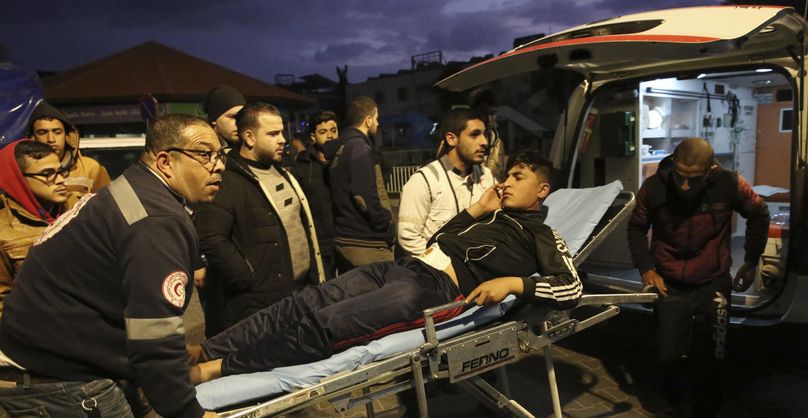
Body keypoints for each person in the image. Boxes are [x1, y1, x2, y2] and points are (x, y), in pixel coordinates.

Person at [0, 114, 227, 418]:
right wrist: (185, 415)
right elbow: (151, 334)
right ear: (165, 161)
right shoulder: (156, 219)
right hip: (61, 380)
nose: (218, 165)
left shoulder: (130, 190)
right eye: (205, 154)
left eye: (219, 154)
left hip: (32, 364)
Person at [190, 150, 581, 383]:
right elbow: (437, 240)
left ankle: (219, 369)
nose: (506, 182)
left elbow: (571, 287)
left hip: (430, 291)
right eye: (508, 175)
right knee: (302, 303)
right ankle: (206, 350)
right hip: (401, 268)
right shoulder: (490, 215)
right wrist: (477, 210)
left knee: (327, 323)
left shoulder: (544, 235)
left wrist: (514, 284)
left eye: (518, 177)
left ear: (542, 190)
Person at [627, 137, 769, 418]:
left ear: (711, 170)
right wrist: (647, 269)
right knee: (668, 354)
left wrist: (750, 260)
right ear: (673, 163)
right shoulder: (653, 187)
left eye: (695, 177)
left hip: (713, 283)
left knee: (712, 363)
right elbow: (636, 228)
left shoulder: (730, 183)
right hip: (669, 281)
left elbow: (759, 213)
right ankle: (673, 404)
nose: (686, 184)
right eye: (680, 174)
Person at [195, 102, 333, 418]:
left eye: (282, 131)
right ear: (248, 137)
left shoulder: (280, 170)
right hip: (254, 299)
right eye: (272, 133)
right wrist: (247, 278)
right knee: (248, 371)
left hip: (292, 290)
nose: (283, 139)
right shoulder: (228, 177)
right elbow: (210, 237)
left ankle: (294, 404)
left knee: (292, 356)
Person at [398, 108, 495, 257]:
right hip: (436, 274)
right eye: (475, 135)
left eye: (485, 135)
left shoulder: (486, 176)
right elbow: (408, 236)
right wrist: (440, 265)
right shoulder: (424, 180)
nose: (484, 142)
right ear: (451, 139)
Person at [325, 96, 395, 272]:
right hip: (367, 244)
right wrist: (384, 222)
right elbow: (364, 197)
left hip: (346, 239)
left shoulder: (342, 149)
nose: (378, 124)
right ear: (368, 120)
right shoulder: (359, 148)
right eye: (376, 119)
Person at [0, 140, 70, 315]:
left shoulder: (82, 209)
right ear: (18, 178)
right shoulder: (4, 232)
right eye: (48, 173)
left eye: (61, 171)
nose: (61, 180)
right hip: (35, 334)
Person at [27, 101, 110, 204]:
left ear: (67, 136)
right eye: (42, 132)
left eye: (57, 132)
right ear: (32, 138)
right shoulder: (26, 171)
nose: (51, 139)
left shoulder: (91, 168)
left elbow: (108, 207)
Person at [292, 110, 339, 277]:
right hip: (319, 243)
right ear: (313, 137)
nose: (330, 136)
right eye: (323, 131)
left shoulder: (346, 158)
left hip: (346, 240)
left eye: (333, 130)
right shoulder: (303, 165)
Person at [469, 88, 506, 180]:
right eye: (483, 113)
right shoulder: (463, 141)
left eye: (493, 113)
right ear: (474, 113)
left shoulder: (498, 143)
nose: (488, 119)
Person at [205, 84, 246, 152]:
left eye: (242, 117)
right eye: (232, 117)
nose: (239, 123)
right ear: (214, 119)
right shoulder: (201, 148)